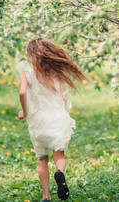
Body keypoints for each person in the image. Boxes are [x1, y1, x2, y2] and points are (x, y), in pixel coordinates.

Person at [18, 38, 87, 201]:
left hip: (38, 121)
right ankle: (60, 174)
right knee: (59, 156)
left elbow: (22, 93)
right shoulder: (56, 71)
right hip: (57, 118)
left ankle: (46, 196)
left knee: (42, 159)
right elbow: (63, 96)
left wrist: (24, 111)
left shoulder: (26, 72)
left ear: (30, 55)